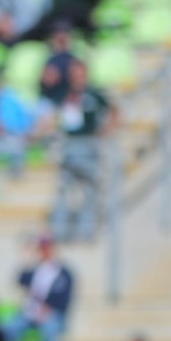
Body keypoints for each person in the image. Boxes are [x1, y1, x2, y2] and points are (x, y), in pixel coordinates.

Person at [40, 59, 115, 242]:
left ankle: (85, 232)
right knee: (65, 190)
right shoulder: (65, 94)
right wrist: (50, 130)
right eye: (74, 75)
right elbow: (52, 117)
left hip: (88, 147)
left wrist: (105, 131)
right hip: (70, 147)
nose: (77, 78)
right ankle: (60, 232)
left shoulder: (94, 95)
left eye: (80, 74)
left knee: (89, 191)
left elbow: (115, 112)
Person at [4, 234, 75, 341]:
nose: (44, 252)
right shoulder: (36, 270)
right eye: (42, 248)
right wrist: (26, 257)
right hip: (32, 313)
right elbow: (19, 279)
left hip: (52, 314)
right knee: (8, 328)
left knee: (49, 331)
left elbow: (64, 298)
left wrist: (48, 309)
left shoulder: (63, 273)